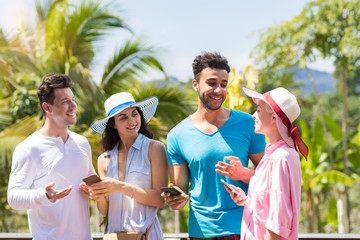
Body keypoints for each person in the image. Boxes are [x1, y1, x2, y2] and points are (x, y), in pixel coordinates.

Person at [163, 52, 266, 239]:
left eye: (224, 84)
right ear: (195, 84)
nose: (219, 90)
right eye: (211, 83)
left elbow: (272, 177)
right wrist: (174, 199)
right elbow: (180, 192)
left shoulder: (249, 124)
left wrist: (245, 174)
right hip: (199, 232)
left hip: (243, 228)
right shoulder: (177, 135)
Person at [7, 73, 96, 240]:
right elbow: (13, 197)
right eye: (65, 102)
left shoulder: (82, 143)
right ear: (47, 107)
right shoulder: (28, 148)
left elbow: (91, 182)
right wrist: (45, 195)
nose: (73, 106)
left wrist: (94, 190)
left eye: (73, 100)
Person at [225, 87, 308, 240]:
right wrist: (246, 200)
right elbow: (269, 206)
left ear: (274, 118)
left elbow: (278, 221)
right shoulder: (272, 154)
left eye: (258, 110)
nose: (253, 115)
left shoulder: (282, 157)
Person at [88, 92, 167, 239]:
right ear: (113, 125)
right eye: (123, 118)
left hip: (146, 235)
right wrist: (97, 195)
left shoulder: (154, 148)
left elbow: (160, 199)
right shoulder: (104, 159)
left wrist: (120, 187)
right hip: (114, 236)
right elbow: (106, 212)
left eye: (134, 114)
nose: (131, 121)